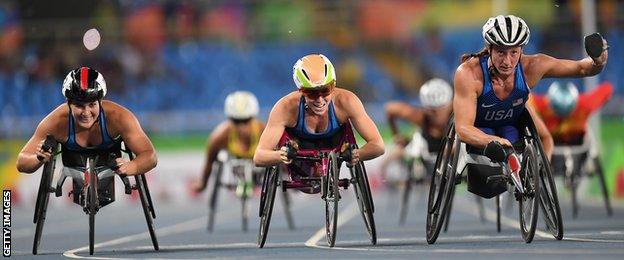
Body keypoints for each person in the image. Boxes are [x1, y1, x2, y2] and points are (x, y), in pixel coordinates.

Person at [453, 15, 608, 176]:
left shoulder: (532, 67)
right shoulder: (468, 74)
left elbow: (583, 68)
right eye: (501, 52)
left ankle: (537, 175)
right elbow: (463, 128)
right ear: (489, 48)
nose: (507, 61)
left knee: (542, 137)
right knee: (497, 144)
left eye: (514, 52)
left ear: (522, 50)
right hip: (480, 127)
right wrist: (493, 141)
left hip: (512, 124)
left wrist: (599, 61)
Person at [16, 66, 157, 176]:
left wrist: (131, 166)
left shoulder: (119, 117)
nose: (86, 113)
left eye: (92, 104)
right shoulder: (56, 122)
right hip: (72, 159)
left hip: (109, 157)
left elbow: (150, 156)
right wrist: (38, 158)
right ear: (68, 103)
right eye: (79, 105)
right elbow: (21, 162)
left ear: (100, 102)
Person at [253, 53, 384, 168]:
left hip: (336, 144)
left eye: (325, 91)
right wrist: (281, 155)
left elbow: (378, 146)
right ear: (301, 90)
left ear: (333, 85)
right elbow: (259, 157)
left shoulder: (347, 101)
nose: (320, 100)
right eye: (312, 93)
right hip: (298, 152)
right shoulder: (285, 108)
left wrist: (356, 154)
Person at [382, 78, 453, 182]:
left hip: (451, 148)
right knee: (397, 152)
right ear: (425, 108)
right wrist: (396, 136)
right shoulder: (419, 116)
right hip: (425, 148)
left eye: (442, 107)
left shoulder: (457, 113)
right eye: (432, 110)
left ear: (450, 105)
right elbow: (389, 109)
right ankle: (382, 179)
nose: (437, 113)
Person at [194, 91, 265, 194]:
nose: (242, 127)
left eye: (246, 121)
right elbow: (209, 162)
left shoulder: (263, 130)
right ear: (229, 119)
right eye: (236, 121)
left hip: (258, 167)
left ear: (253, 118)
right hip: (235, 166)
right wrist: (203, 184)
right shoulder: (219, 136)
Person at [529, 81, 613, 145]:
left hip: (577, 141)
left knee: (592, 144)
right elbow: (527, 98)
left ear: (574, 104)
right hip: (551, 141)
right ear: (550, 103)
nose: (563, 116)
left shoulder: (585, 105)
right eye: (558, 111)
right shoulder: (541, 105)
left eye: (566, 112)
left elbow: (607, 88)